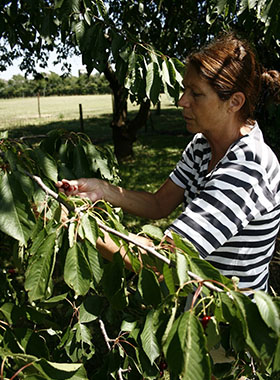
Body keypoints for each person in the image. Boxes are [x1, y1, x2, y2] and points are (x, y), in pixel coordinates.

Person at [56, 32, 280, 295]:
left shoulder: (247, 167)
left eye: (195, 94)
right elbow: (159, 204)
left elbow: (164, 261)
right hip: (198, 305)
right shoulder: (202, 146)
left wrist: (74, 222)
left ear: (234, 102)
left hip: (232, 323)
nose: (182, 101)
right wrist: (102, 190)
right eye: (185, 89)